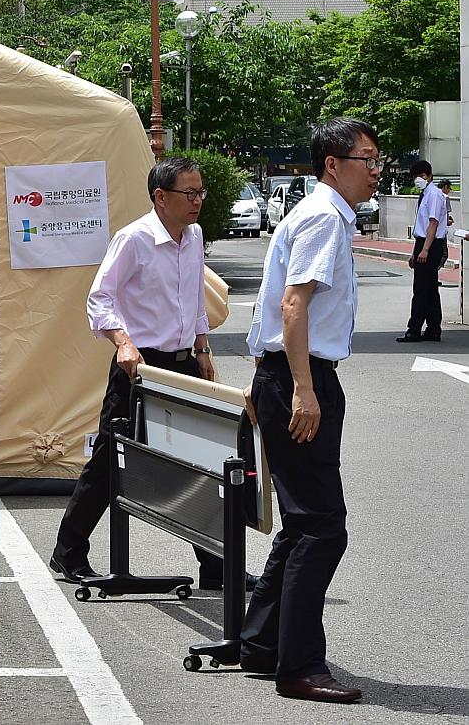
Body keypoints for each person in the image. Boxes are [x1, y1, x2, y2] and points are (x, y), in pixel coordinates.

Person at [50, 157, 247, 591]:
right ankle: (68, 552)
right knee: (109, 460)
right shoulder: (135, 239)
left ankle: (216, 566)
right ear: (161, 197)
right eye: (189, 194)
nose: (197, 202)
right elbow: (99, 298)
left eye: (201, 193)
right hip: (139, 366)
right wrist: (122, 341)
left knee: (202, 461)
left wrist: (202, 346)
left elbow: (194, 297)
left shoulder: (193, 236)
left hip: (183, 363)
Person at [240, 117, 381, 703]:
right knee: (323, 527)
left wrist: (273, 378)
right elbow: (293, 306)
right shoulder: (324, 216)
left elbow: (276, 306)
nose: (376, 169)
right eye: (367, 158)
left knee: (302, 521)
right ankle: (299, 667)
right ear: (333, 163)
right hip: (303, 378)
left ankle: (262, 643)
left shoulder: (319, 212)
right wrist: (302, 388)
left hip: (287, 375)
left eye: (378, 159)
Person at [397, 160, 446, 343]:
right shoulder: (426, 194)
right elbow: (423, 225)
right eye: (416, 176)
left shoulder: (434, 195)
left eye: (422, 176)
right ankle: (434, 328)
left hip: (430, 244)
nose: (418, 179)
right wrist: (415, 251)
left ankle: (414, 329)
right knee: (430, 288)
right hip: (423, 243)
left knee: (421, 288)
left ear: (430, 176)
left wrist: (425, 249)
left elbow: (433, 223)